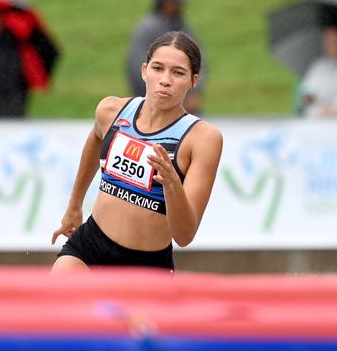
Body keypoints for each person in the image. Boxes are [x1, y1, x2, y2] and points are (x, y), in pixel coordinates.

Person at [51, 31, 222, 273]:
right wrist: (75, 205)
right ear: (144, 71)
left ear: (193, 81)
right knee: (60, 306)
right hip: (88, 248)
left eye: (178, 72)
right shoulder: (111, 110)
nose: (165, 80)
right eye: (158, 68)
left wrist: (172, 184)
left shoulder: (202, 139)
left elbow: (184, 236)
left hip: (147, 266)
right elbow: (94, 140)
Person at [126, 0, 206, 115]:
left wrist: (193, 93)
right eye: (175, 1)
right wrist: (153, 94)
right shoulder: (147, 27)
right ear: (163, 2)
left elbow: (199, 60)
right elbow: (136, 64)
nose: (180, 5)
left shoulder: (182, 25)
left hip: (181, 101)